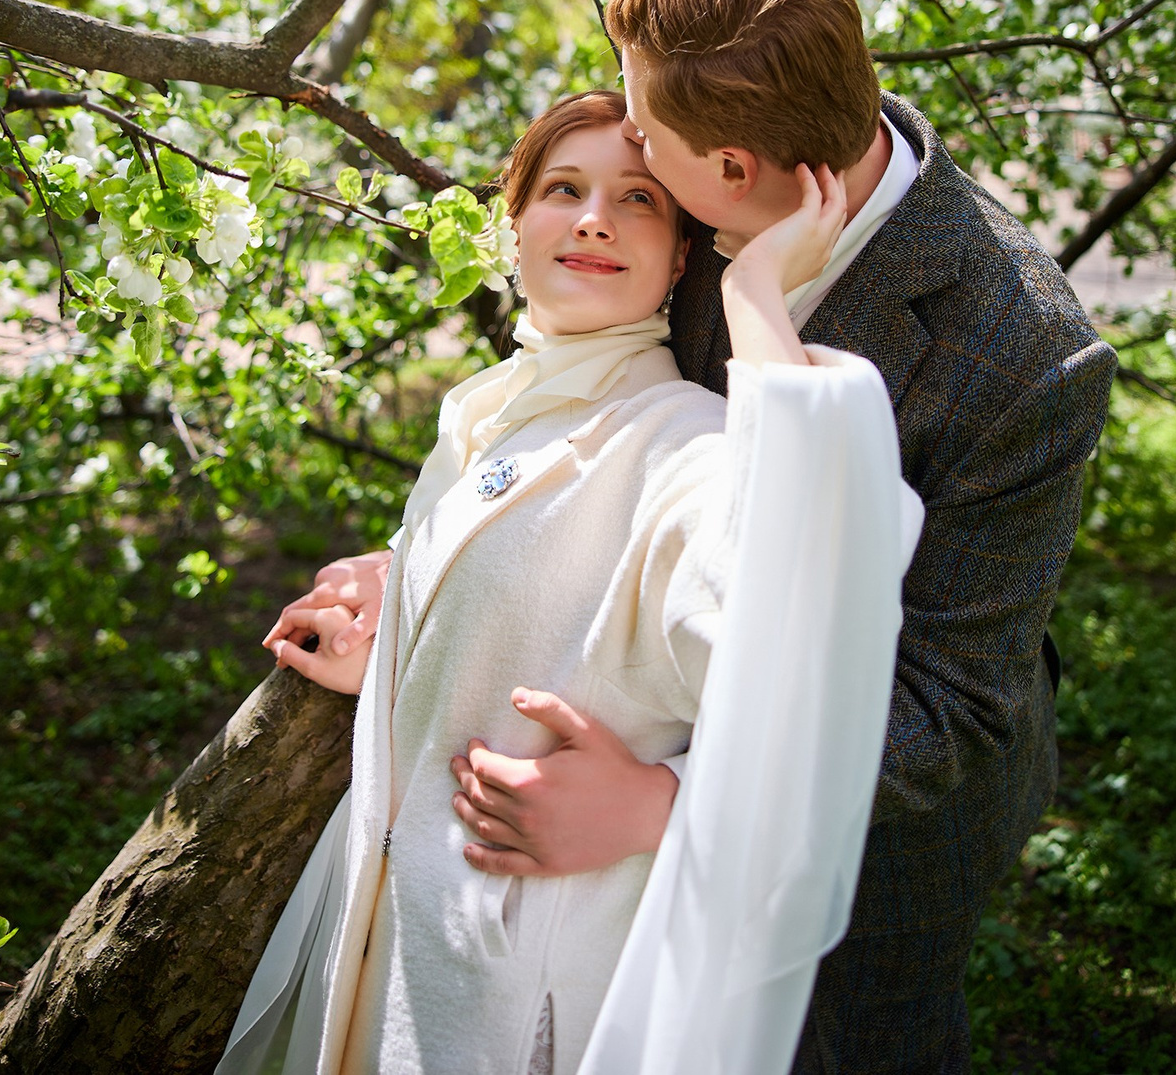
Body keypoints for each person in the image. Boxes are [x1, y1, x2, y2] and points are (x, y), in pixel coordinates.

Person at [281, 0, 1114, 1073]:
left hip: (877, 824)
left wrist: (667, 805)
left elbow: (949, 704)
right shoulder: (714, 161)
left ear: (728, 171)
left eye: (644, 138)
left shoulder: (1027, 356)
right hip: (634, 711)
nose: (628, 141)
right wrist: (441, 564)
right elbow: (603, 419)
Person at [219, 89, 919, 1075]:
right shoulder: (488, 412)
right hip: (391, 956)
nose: (595, 218)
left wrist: (757, 295)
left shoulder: (687, 449)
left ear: (681, 256)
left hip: (517, 1001)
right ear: (513, 225)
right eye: (563, 189)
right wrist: (398, 653)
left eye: (638, 199)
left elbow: (800, 617)